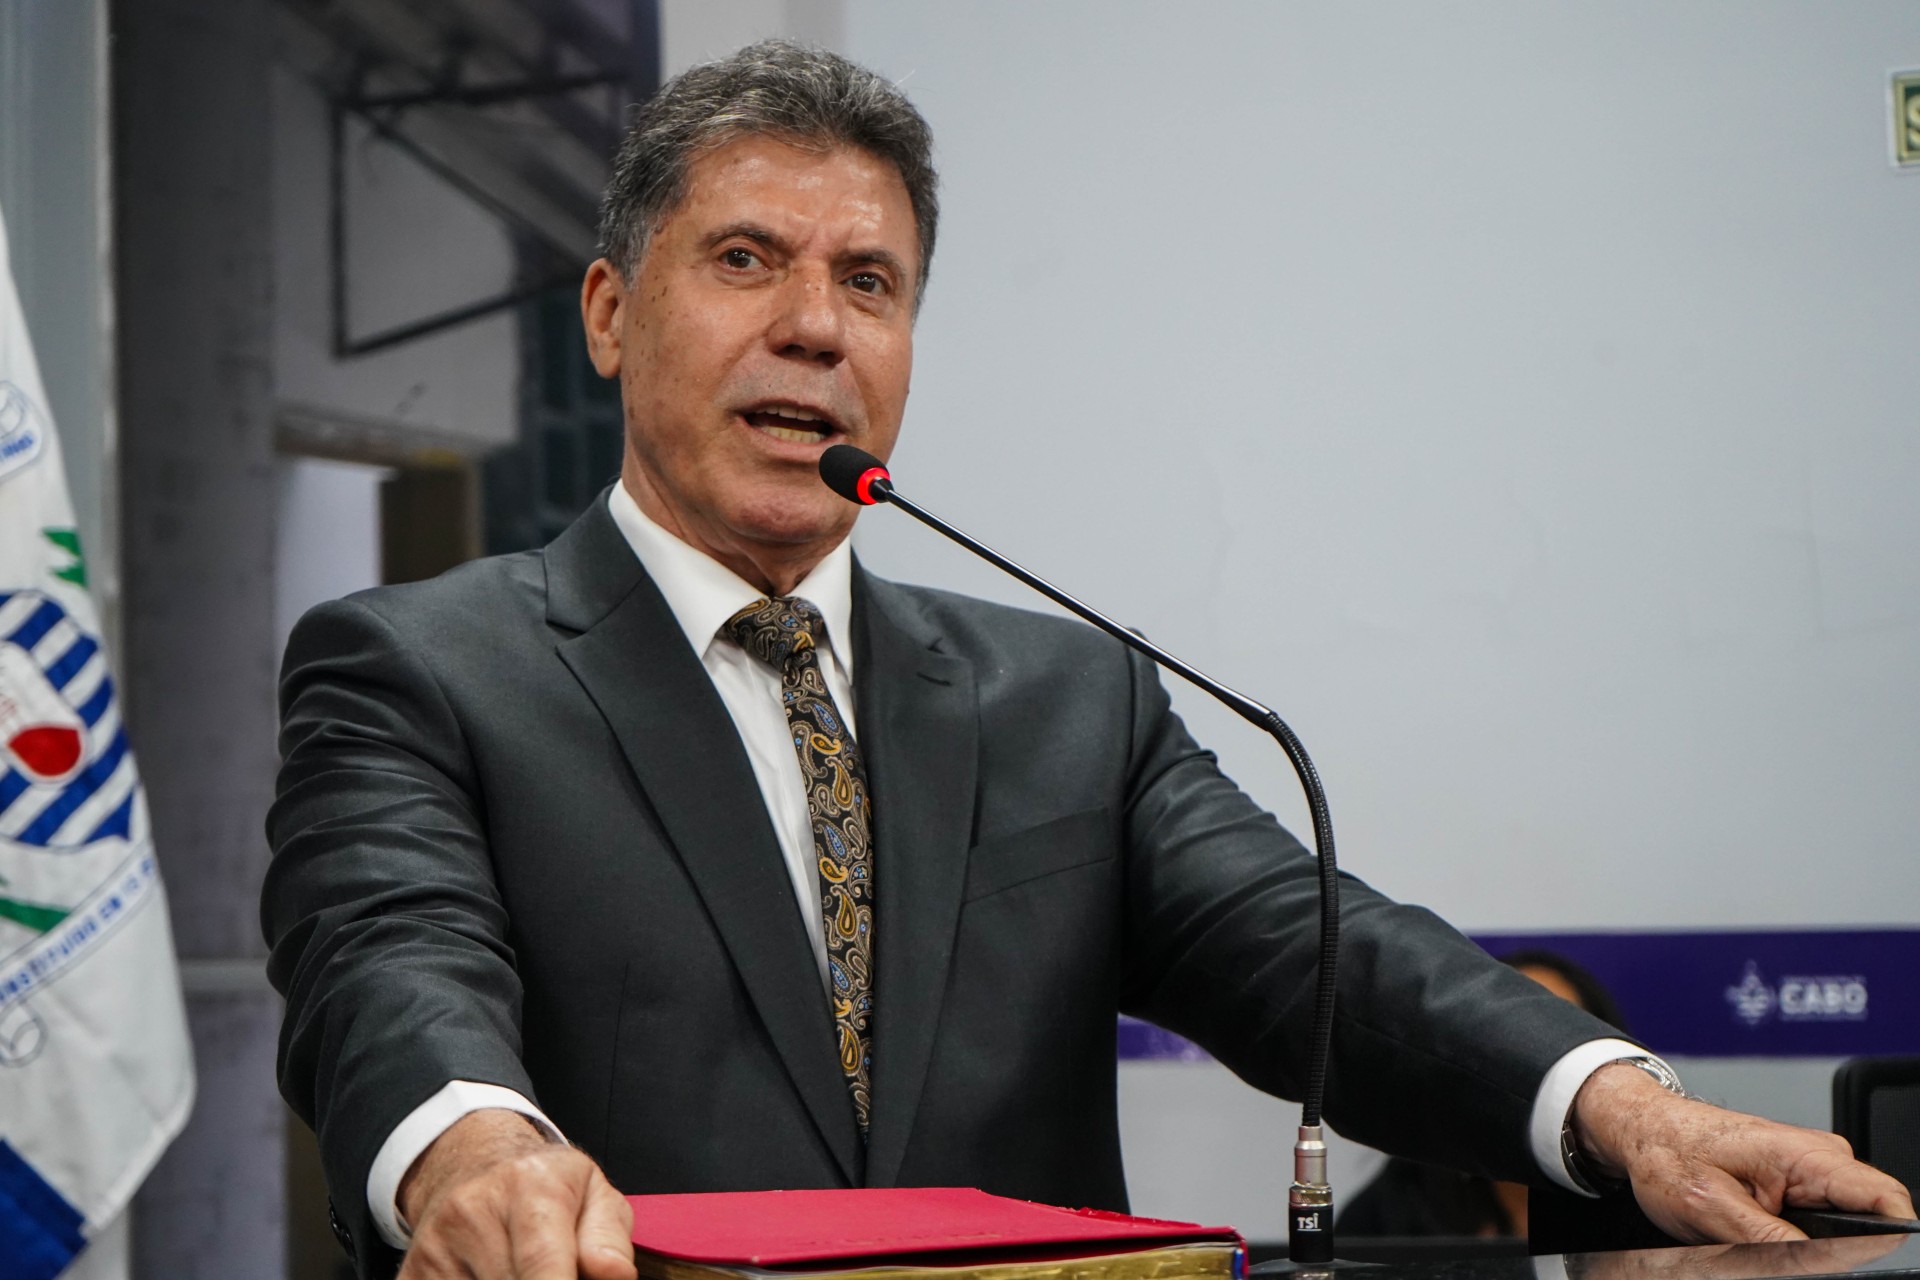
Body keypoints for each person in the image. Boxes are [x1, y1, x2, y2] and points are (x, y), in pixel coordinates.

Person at [262, 41, 1913, 1280]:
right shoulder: (420, 669)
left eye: (869, 282)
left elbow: (1319, 959)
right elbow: (389, 967)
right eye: (747, 259)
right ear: (612, 314)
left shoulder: (1066, 700)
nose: (816, 326)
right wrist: (472, 1147)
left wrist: (1629, 1112)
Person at [1338, 951, 1631, 1239]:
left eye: (1559, 1042)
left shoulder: (1645, 1200)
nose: (1532, 1065)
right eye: (1509, 1040)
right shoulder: (1389, 1211)